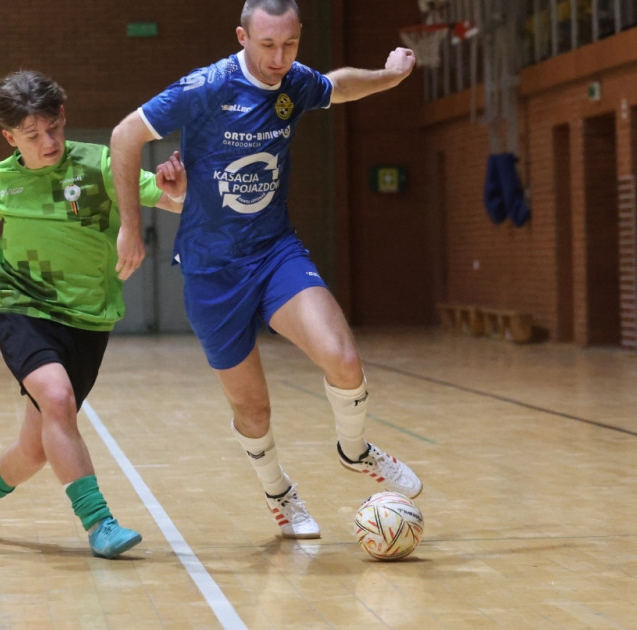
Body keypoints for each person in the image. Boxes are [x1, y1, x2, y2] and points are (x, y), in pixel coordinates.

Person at [109, 0, 420, 539]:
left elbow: (337, 86)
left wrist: (388, 77)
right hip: (211, 270)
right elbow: (123, 136)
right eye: (268, 45)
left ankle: (355, 450)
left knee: (344, 359)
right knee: (254, 412)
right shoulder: (206, 87)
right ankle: (279, 493)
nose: (280, 59)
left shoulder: (294, 82)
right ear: (242, 37)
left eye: (290, 45)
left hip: (274, 251)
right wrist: (131, 228)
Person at [0, 69, 187, 558]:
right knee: (56, 396)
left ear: (63, 117)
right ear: (10, 138)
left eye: (53, 128)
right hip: (23, 305)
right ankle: (99, 524)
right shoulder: (1, 181)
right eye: (32, 135)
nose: (47, 142)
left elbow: (169, 199)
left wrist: (176, 187)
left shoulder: (99, 164)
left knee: (34, 450)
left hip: (88, 318)